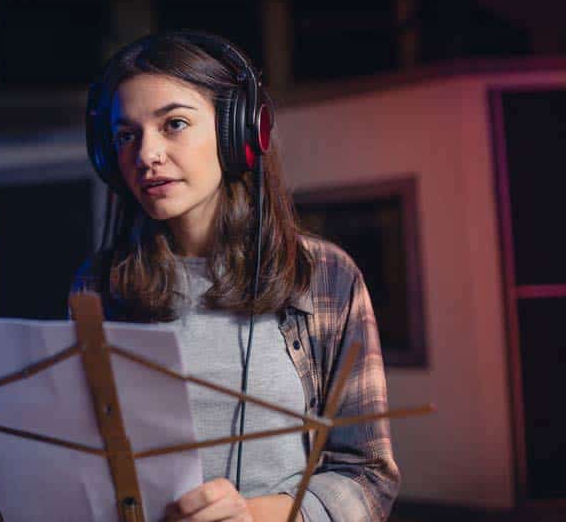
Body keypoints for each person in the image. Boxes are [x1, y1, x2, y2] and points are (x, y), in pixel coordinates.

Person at [71, 31, 399, 522]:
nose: (146, 155)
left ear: (239, 132)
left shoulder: (324, 276)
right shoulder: (97, 286)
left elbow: (368, 476)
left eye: (174, 124)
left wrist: (254, 515)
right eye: (126, 136)